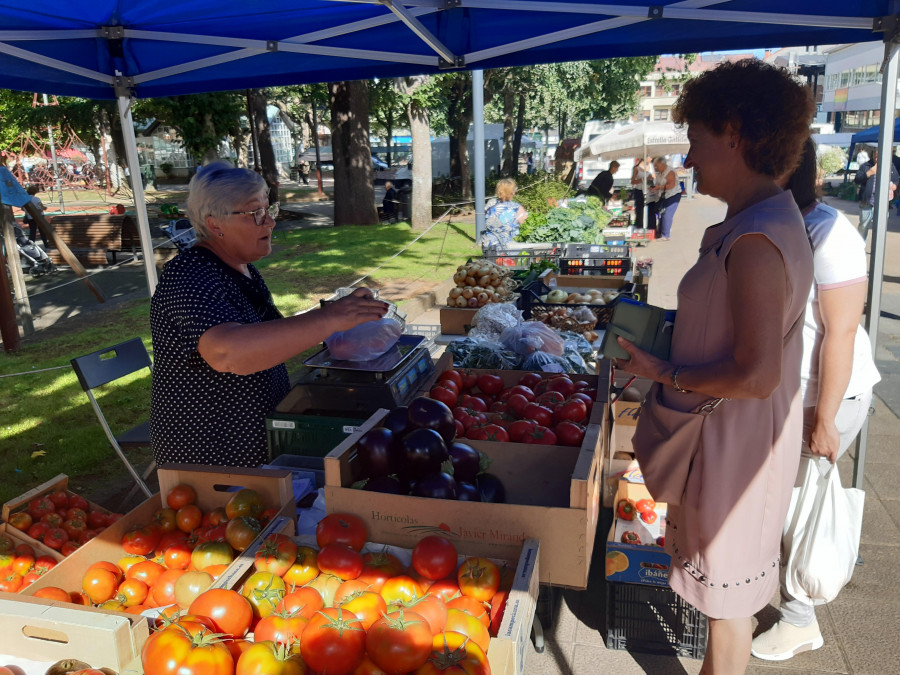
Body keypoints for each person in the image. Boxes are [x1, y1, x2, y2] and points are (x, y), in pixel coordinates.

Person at [614, 59, 815, 674]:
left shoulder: (756, 240)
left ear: (734, 132)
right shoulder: (757, 223)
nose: (691, 159)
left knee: (727, 608)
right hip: (732, 438)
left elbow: (756, 375)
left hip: (736, 445)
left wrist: (665, 372)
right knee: (722, 598)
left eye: (696, 139)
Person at [150, 161, 388, 468]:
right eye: (254, 214)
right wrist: (329, 320)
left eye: (268, 209)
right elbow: (228, 352)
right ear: (215, 224)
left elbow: (269, 336)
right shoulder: (189, 276)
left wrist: (339, 317)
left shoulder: (243, 268)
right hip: (210, 455)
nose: (269, 222)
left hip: (255, 444)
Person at [751, 139, 880, 662]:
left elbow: (842, 332)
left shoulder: (829, 233)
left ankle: (799, 618)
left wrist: (824, 418)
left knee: (799, 507)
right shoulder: (782, 222)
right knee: (784, 503)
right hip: (791, 395)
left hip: (824, 396)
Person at [854, 149, 898, 242]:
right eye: (876, 157)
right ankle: (860, 246)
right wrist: (869, 173)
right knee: (863, 226)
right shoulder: (866, 166)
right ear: (872, 156)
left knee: (880, 227)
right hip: (867, 201)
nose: (877, 159)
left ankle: (878, 248)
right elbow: (857, 179)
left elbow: (896, 179)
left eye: (880, 157)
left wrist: (895, 185)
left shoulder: (890, 166)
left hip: (883, 202)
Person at [480, 178, 528, 249]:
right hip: (510, 245)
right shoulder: (516, 207)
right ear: (511, 192)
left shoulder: (491, 203)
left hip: (491, 244)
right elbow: (524, 223)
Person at [648, 156, 682, 240]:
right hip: (664, 195)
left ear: (662, 164)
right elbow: (659, 184)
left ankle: (665, 235)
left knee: (667, 214)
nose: (656, 168)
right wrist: (654, 188)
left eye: (657, 166)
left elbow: (671, 185)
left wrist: (658, 188)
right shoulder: (660, 173)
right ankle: (660, 233)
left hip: (673, 195)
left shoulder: (669, 172)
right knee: (661, 214)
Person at [631, 157, 653, 230]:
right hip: (639, 190)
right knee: (639, 210)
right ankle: (639, 226)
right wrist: (644, 179)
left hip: (648, 190)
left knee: (650, 209)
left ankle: (650, 226)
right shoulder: (636, 168)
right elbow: (633, 181)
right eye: (650, 157)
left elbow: (654, 178)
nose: (651, 159)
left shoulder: (650, 166)